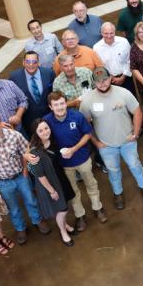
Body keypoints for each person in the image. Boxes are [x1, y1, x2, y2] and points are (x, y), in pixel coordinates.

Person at [80, 67, 143, 208]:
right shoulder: (88, 100)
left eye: (104, 79)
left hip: (127, 141)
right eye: (98, 81)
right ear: (93, 83)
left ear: (110, 78)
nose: (102, 83)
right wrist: (96, 142)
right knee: (113, 171)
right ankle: (118, 193)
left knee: (135, 165)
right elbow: (85, 123)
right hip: (106, 145)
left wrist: (136, 133)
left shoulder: (123, 93)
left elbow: (137, 112)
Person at [0, 113, 48, 244]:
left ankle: (37, 220)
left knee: (31, 199)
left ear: (0, 122)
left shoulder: (14, 135)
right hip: (1, 181)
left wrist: (25, 170)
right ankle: (20, 228)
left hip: (20, 175)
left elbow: (26, 151)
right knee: (12, 207)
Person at [44, 91, 107, 230]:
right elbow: (40, 138)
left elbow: (87, 133)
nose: (60, 107)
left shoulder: (76, 116)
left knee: (91, 184)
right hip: (64, 165)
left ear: (66, 103)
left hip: (82, 158)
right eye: (56, 105)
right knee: (73, 191)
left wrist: (74, 149)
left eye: (62, 103)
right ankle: (80, 215)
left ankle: (98, 208)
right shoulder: (47, 121)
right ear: (50, 107)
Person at [27, 119, 77, 246]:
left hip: (60, 178)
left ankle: (65, 224)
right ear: (35, 133)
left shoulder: (53, 141)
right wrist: (52, 191)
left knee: (64, 204)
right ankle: (63, 231)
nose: (45, 132)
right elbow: (40, 176)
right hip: (50, 184)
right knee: (62, 209)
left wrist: (67, 155)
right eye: (40, 130)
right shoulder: (34, 152)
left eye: (46, 128)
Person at [8, 51, 55, 135]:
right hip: (28, 118)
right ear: (23, 62)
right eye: (28, 62)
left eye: (34, 62)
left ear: (38, 63)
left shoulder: (49, 73)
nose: (31, 65)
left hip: (48, 116)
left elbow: (53, 92)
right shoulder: (14, 77)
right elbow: (14, 98)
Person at [93, 22, 134, 95]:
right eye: (106, 33)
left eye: (111, 33)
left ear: (115, 32)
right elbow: (100, 66)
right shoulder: (96, 48)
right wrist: (111, 78)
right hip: (108, 81)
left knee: (131, 98)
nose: (109, 36)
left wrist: (123, 77)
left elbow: (130, 60)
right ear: (101, 33)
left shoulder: (124, 42)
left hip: (126, 77)